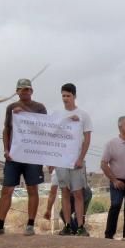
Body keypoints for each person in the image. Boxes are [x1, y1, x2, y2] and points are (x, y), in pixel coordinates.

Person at [0, 78, 47, 236]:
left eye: (27, 89)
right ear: (17, 91)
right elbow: (6, 129)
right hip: (14, 156)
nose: (25, 92)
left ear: (32, 91)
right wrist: (6, 150)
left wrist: (25, 114)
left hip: (32, 155)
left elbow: (43, 128)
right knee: (7, 189)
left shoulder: (40, 108)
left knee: (32, 189)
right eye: (21, 89)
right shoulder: (11, 107)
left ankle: (30, 225)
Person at [52, 83, 93, 236]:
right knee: (64, 192)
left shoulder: (83, 115)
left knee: (78, 193)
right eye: (63, 95)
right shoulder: (57, 115)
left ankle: (81, 226)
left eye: (68, 95)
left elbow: (87, 139)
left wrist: (81, 158)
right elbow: (52, 136)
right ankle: (68, 225)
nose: (65, 98)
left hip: (76, 161)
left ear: (74, 96)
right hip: (61, 160)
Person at [101, 116, 125, 239]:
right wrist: (114, 180)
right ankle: (109, 236)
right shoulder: (111, 144)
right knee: (115, 205)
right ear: (120, 127)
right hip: (117, 181)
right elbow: (103, 164)